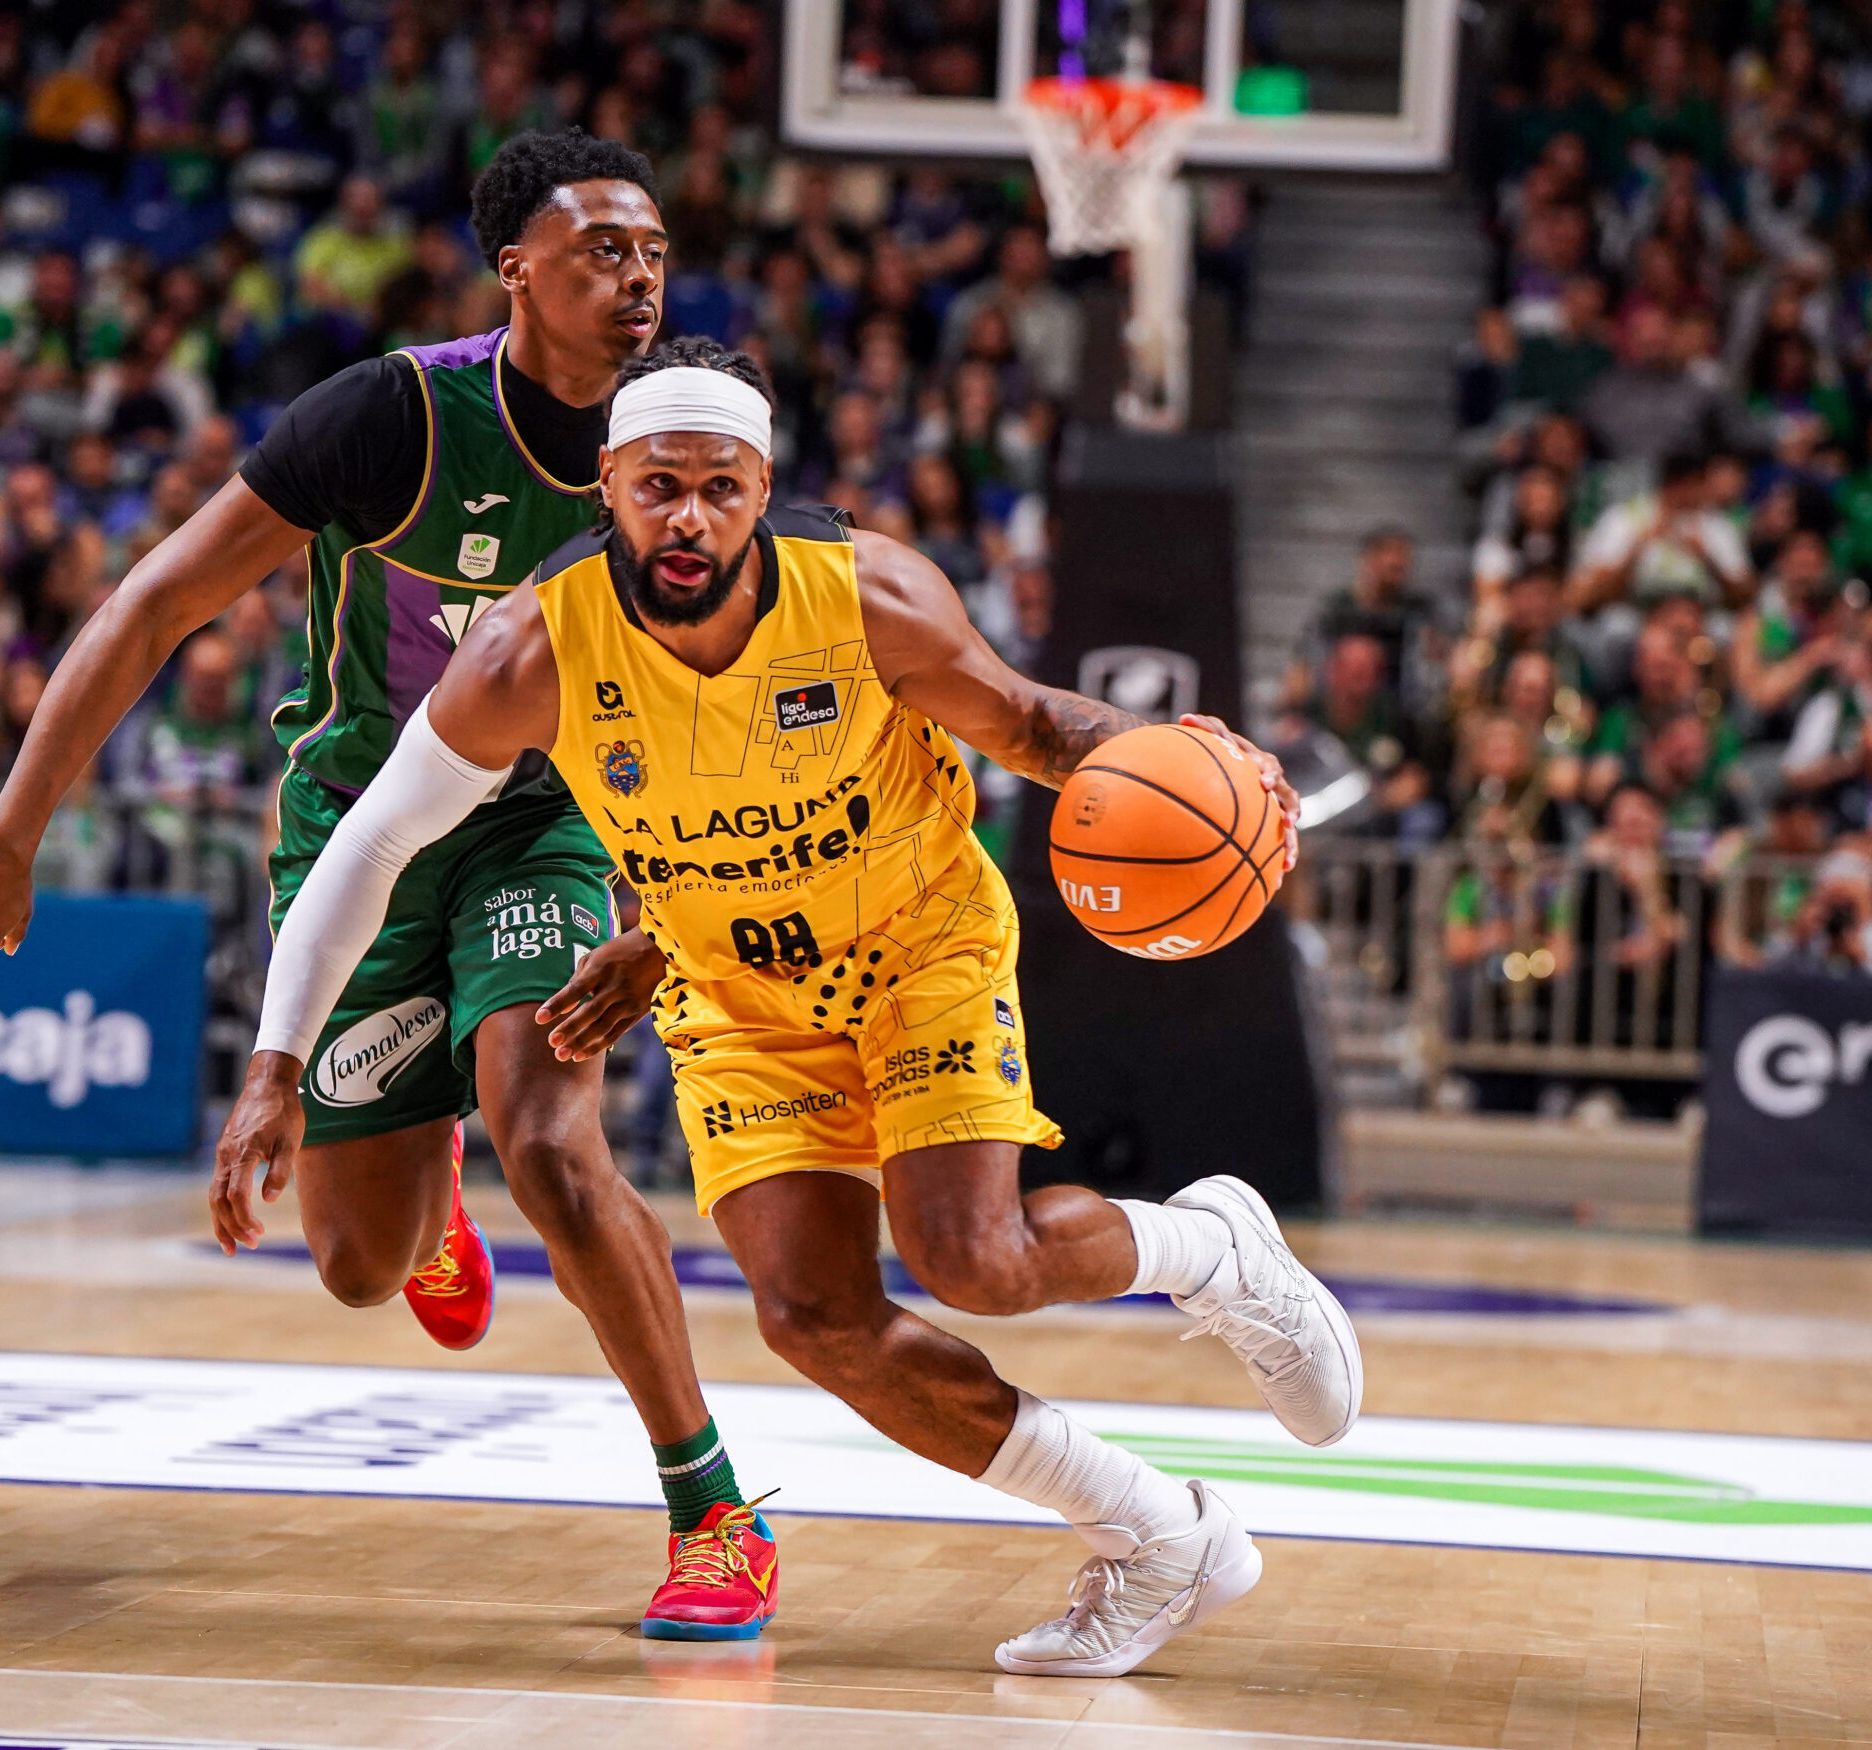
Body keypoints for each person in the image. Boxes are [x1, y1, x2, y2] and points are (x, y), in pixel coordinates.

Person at [224, 340, 1360, 1678]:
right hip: (738, 995)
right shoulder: (531, 646)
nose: (688, 516)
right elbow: (370, 843)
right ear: (608, 482)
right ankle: (1158, 1533)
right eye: (659, 485)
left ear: (762, 490)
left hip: (916, 944)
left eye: (720, 486)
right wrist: (276, 1063)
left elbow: (1036, 727)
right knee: (812, 1318)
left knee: (974, 1260)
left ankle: (1212, 1250)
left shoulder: (870, 595)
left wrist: (1195, 762)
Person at [0, 133, 765, 1638]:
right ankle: (426, 1206)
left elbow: (736, 694)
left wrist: (665, 909)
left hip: (549, 822)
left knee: (551, 1140)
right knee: (362, 1271)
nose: (638, 276)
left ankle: (712, 1511)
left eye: (652, 250)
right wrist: (10, 828)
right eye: (600, 250)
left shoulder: (675, 450)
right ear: (515, 272)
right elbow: (158, 601)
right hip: (361, 816)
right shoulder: (391, 419)